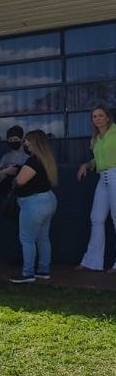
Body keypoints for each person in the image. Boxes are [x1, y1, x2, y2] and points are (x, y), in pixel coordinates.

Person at [10, 130, 58, 283]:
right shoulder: (46, 159)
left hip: (34, 203)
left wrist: (12, 176)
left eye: (27, 141)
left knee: (27, 239)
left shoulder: (33, 161)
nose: (25, 144)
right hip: (48, 200)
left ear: (34, 142)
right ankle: (44, 270)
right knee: (43, 238)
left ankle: (28, 273)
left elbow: (20, 181)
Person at [76, 105, 116, 273]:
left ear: (107, 117)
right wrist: (87, 164)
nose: (98, 119)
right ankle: (92, 261)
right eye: (94, 116)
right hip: (102, 178)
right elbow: (98, 160)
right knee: (97, 218)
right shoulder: (95, 139)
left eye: (100, 115)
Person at [0, 125, 29, 193]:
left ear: (22, 139)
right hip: (8, 192)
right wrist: (5, 171)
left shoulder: (28, 157)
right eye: (10, 140)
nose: (13, 142)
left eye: (15, 139)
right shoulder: (5, 157)